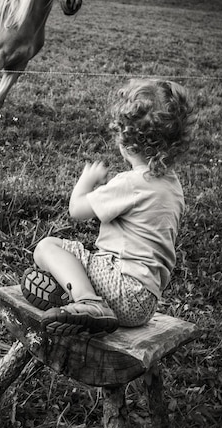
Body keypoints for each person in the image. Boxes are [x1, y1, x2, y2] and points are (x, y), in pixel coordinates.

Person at [21, 78, 194, 336]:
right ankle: (72, 302)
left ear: (126, 141)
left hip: (122, 288)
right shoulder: (173, 186)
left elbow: (77, 211)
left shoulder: (132, 183)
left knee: (47, 248)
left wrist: (86, 180)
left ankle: (87, 302)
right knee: (68, 260)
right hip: (145, 303)